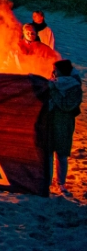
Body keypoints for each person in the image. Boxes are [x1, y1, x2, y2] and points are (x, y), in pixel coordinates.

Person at [44, 60, 82, 195]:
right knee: (48, 154)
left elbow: (66, 105)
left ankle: (61, 183)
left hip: (64, 124)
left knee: (61, 154)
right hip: (50, 123)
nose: (54, 72)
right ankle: (47, 182)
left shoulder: (74, 87)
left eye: (56, 70)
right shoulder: (52, 83)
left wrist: (53, 91)